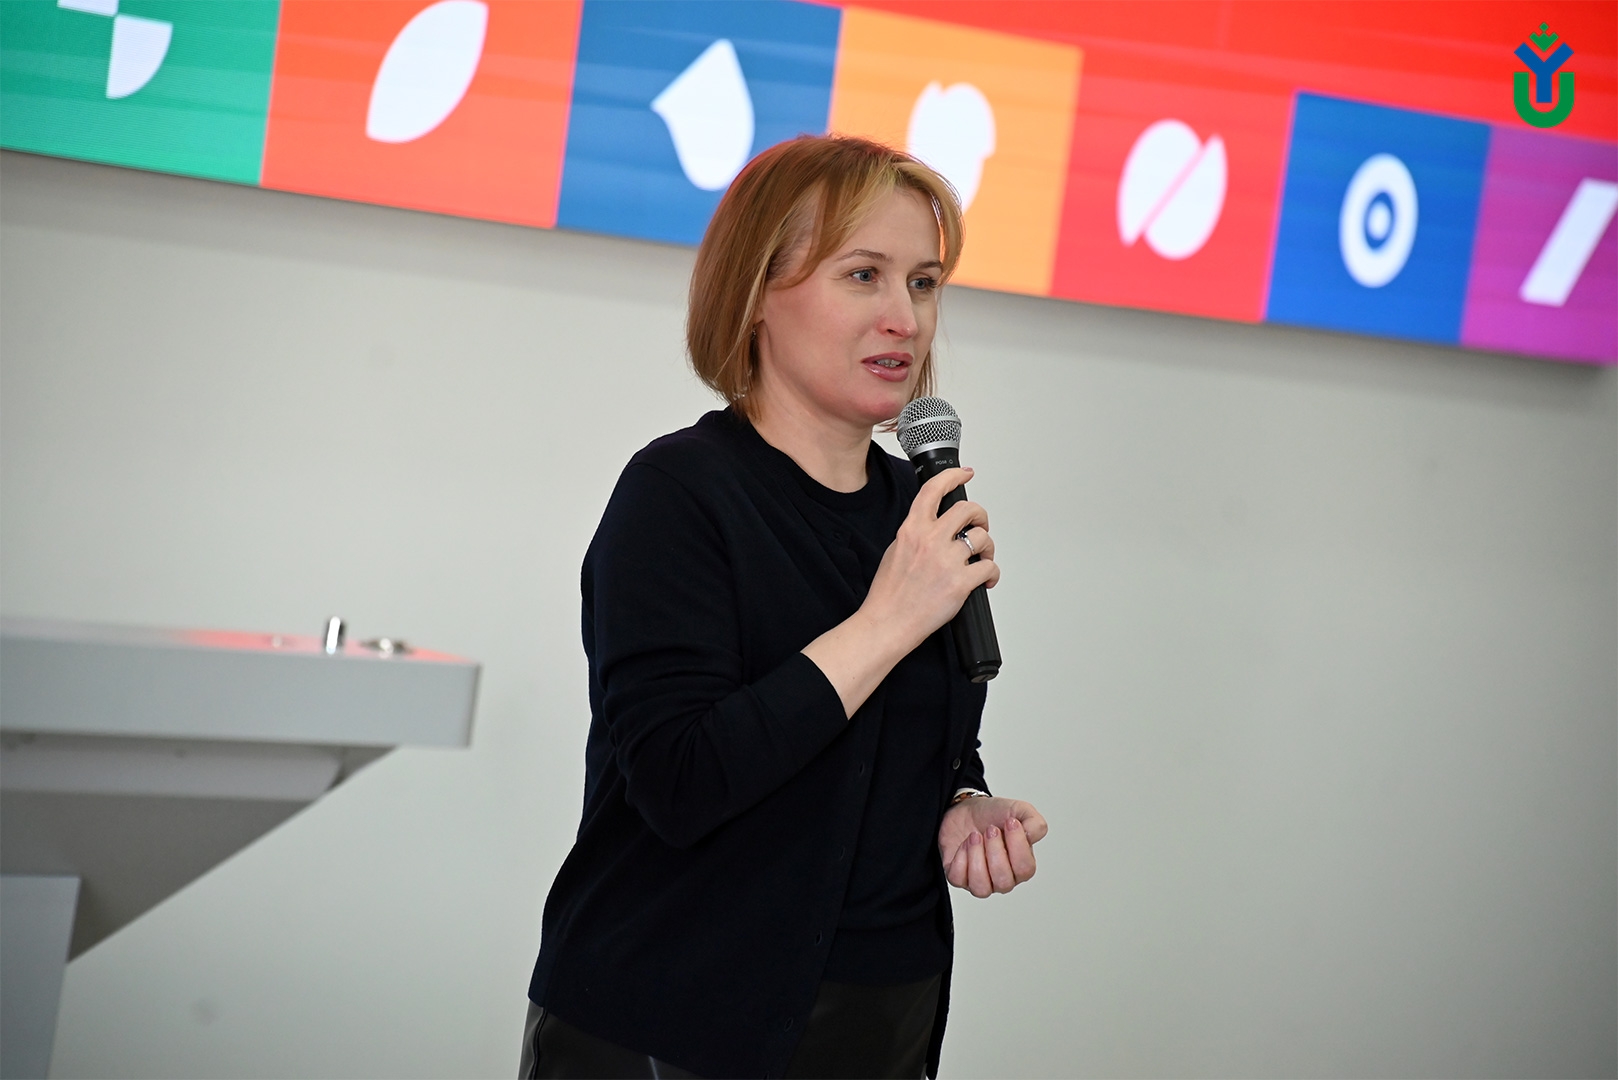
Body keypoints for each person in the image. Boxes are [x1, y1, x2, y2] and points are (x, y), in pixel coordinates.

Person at [521, 134, 1048, 1080]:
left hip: (881, 1020)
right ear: (758, 291)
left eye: (923, 284)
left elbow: (901, 743)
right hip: (673, 1023)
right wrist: (887, 620)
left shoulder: (919, 507)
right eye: (863, 275)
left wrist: (961, 800)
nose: (904, 319)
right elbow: (681, 783)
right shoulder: (679, 494)